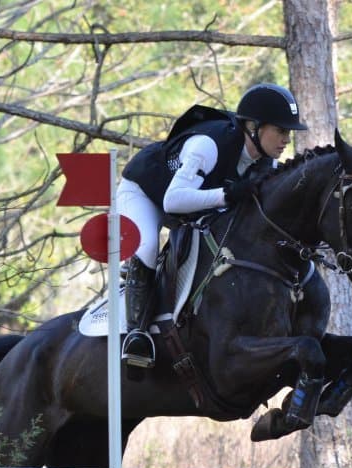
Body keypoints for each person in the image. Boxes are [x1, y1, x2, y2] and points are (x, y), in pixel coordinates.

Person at [116, 83, 308, 368]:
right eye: (281, 131)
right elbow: (172, 202)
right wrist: (227, 195)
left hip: (192, 204)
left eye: (288, 133)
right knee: (147, 247)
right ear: (253, 127)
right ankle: (137, 334)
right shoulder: (209, 145)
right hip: (145, 193)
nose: (286, 140)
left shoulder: (264, 163)